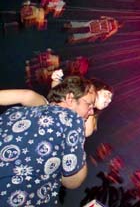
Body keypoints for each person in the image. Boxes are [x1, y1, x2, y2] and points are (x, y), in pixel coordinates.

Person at [0, 76, 95, 206]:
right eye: (89, 104)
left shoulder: (15, 111)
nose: (91, 112)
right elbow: (72, 181)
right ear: (70, 98)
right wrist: (81, 143)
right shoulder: (72, 119)